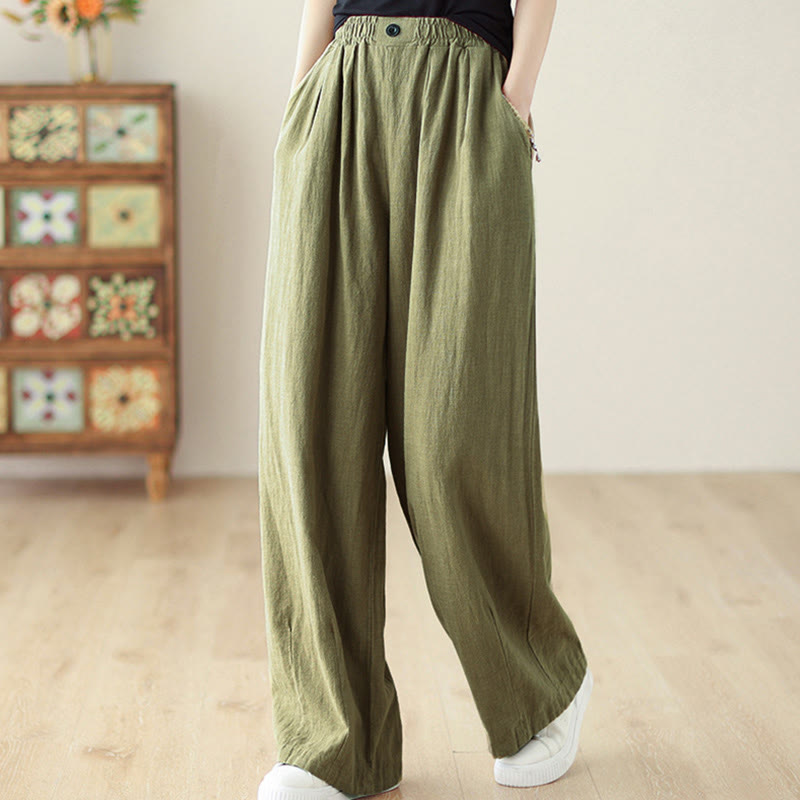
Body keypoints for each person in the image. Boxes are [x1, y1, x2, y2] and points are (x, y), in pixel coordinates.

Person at [256, 0, 593, 796]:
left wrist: (514, 99)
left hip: (466, 91)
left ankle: (540, 688)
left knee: (455, 435)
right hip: (342, 87)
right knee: (311, 427)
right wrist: (302, 96)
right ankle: (333, 744)